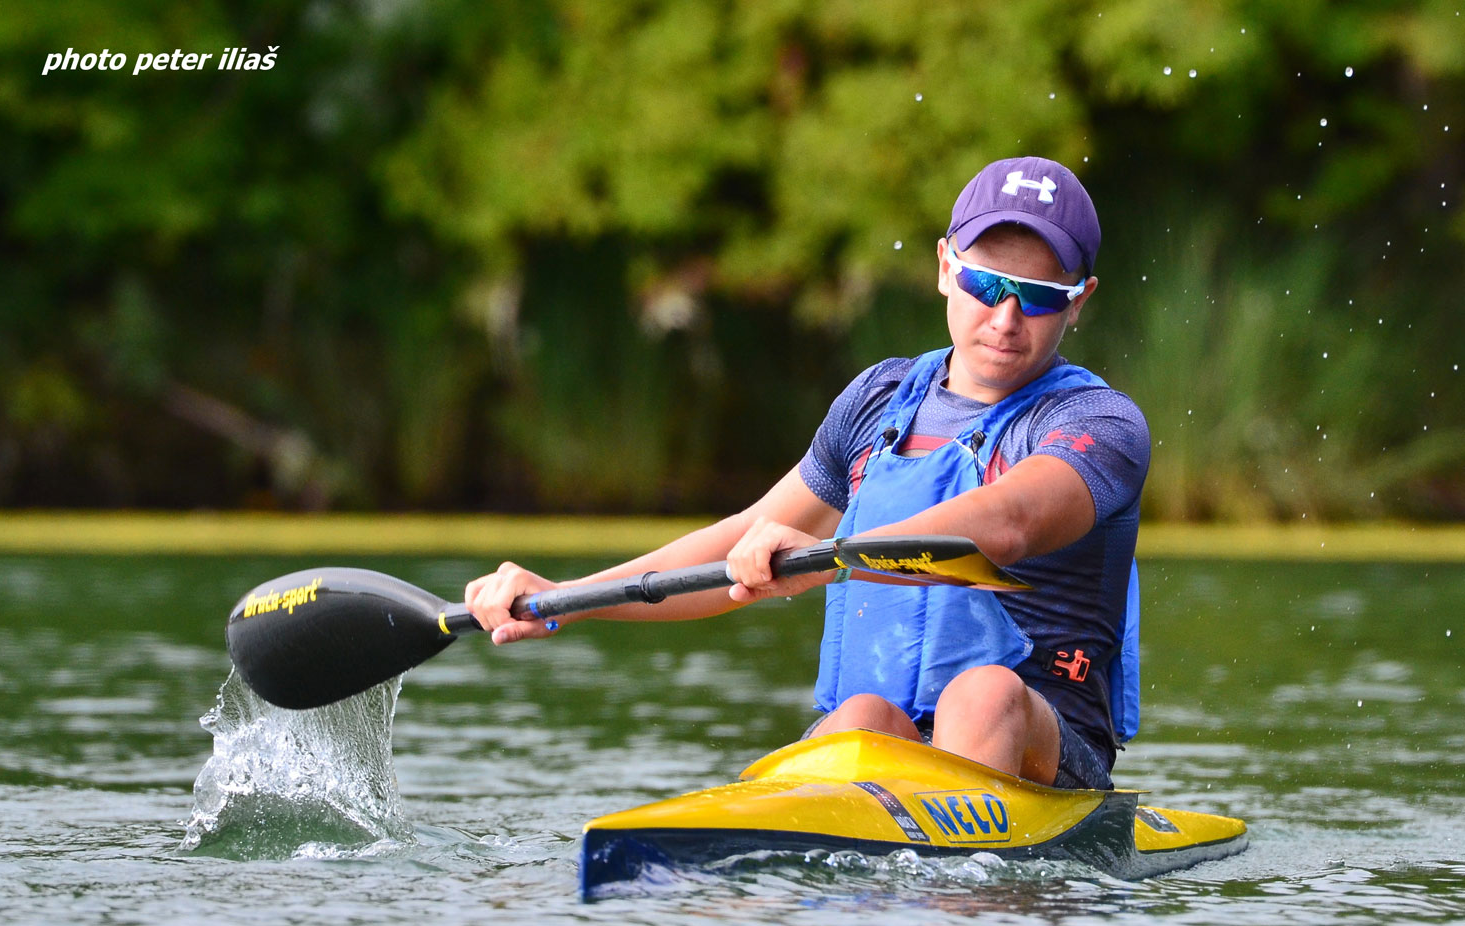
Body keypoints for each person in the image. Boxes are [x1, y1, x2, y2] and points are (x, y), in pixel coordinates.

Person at [465, 156, 1148, 790]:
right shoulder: (878, 400)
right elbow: (745, 538)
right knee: (859, 718)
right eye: (986, 283)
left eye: (1037, 297)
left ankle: (960, 904)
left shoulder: (1099, 424)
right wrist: (565, 599)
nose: (1004, 318)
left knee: (984, 692)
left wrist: (833, 557)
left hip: (1047, 757)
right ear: (946, 266)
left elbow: (1009, 522)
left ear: (1078, 300)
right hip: (887, 736)